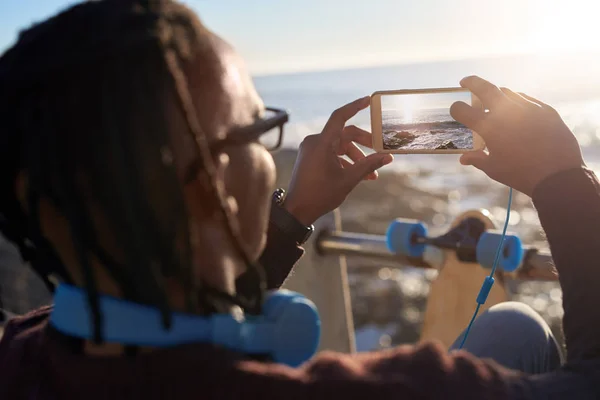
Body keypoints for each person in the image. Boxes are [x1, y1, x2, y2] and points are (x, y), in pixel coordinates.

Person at [0, 1, 599, 399]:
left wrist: (292, 214)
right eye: (261, 130)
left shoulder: (20, 352)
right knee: (517, 326)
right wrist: (560, 177)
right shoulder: (404, 389)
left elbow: (173, 295)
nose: (273, 148)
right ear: (216, 192)